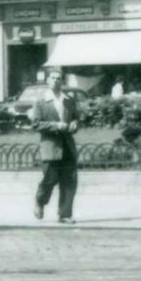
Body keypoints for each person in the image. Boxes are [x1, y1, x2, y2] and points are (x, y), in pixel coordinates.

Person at [32, 68, 79, 224]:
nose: (56, 81)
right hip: (50, 147)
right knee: (50, 179)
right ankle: (40, 200)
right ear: (47, 80)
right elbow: (36, 124)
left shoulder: (68, 100)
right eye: (53, 78)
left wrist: (74, 124)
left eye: (59, 78)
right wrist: (56, 126)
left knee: (69, 180)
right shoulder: (41, 101)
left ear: (62, 81)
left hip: (67, 146)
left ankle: (64, 214)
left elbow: (76, 118)